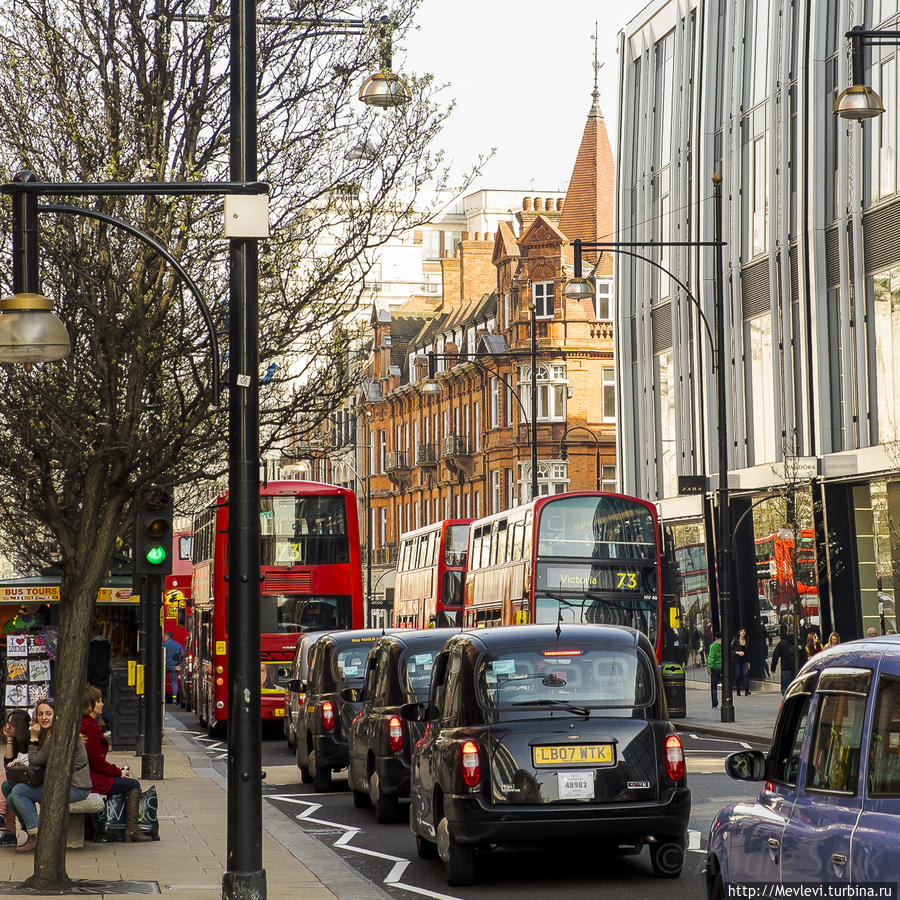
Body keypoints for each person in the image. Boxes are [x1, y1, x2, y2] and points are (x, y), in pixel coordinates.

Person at [7, 701, 91, 853]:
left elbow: (35, 760)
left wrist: (33, 737)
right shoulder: (50, 733)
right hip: (61, 783)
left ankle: (36, 836)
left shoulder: (55, 736)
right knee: (10, 789)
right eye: (40, 714)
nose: (44, 717)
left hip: (75, 788)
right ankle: (31, 830)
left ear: (57, 716)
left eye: (48, 713)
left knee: (19, 791)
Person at [80, 685, 150, 842]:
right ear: (90, 705)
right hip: (91, 778)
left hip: (86, 775)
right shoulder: (89, 726)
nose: (102, 704)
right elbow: (97, 762)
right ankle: (132, 829)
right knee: (132, 784)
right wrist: (118, 772)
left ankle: (93, 828)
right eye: (99, 701)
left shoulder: (84, 723)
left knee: (123, 783)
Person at [0, 710, 30, 846]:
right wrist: (10, 740)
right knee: (6, 783)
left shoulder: (30, 739)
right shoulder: (17, 740)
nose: (7, 726)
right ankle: (10, 829)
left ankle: (8, 825)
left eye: (12, 723)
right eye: (7, 722)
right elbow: (8, 766)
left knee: (7, 785)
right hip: (22, 778)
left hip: (32, 779)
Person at [87, 621, 112, 729]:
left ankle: (108, 722)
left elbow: (91, 664)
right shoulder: (105, 644)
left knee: (96, 702)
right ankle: (102, 723)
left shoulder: (95, 646)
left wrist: (87, 676)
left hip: (96, 679)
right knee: (99, 702)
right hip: (103, 678)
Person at [771, 630, 797, 695]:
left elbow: (775, 656)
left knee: (785, 689)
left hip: (786, 669)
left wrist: (773, 667)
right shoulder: (798, 643)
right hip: (796, 669)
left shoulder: (782, 643)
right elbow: (803, 656)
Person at [162, 631, 184, 703]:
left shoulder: (163, 645)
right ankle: (174, 699)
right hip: (174, 666)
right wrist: (179, 665)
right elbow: (182, 657)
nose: (164, 638)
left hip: (164, 666)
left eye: (164, 637)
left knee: (162, 682)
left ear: (167, 637)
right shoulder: (178, 645)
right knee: (174, 683)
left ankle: (162, 698)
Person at [731, 627, 751, 696]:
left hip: (745, 660)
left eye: (744, 631)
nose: (743, 633)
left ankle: (746, 690)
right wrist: (737, 652)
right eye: (742, 631)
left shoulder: (747, 640)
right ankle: (738, 690)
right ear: (739, 632)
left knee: (746, 674)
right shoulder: (735, 640)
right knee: (738, 675)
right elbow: (731, 650)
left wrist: (749, 662)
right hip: (737, 660)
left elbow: (748, 653)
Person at [707, 631, 723, 709]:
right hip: (723, 667)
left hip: (715, 667)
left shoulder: (713, 646)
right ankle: (726, 700)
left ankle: (715, 704)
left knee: (714, 687)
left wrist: (709, 667)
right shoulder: (725, 645)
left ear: (715, 637)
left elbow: (711, 657)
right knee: (726, 686)